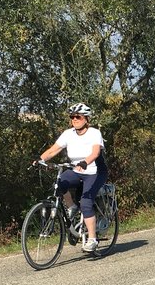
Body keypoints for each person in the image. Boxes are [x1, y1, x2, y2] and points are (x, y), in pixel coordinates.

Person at [36, 103, 108, 253]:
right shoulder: (68, 133)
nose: (74, 119)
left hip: (94, 171)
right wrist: (40, 159)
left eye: (78, 117)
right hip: (77, 170)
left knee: (86, 203)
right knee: (59, 184)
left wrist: (85, 162)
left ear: (86, 119)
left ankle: (92, 239)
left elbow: (95, 153)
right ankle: (72, 207)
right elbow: (53, 150)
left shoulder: (94, 133)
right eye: (72, 117)